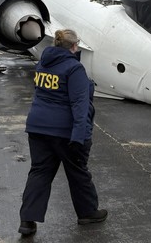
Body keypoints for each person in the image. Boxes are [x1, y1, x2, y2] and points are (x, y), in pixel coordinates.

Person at [18, 29, 107, 236]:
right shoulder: (74, 68)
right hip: (64, 131)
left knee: (39, 172)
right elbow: (80, 105)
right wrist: (79, 136)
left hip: (38, 128)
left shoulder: (43, 63)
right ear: (74, 46)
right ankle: (87, 212)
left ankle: (27, 221)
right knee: (77, 171)